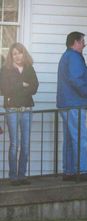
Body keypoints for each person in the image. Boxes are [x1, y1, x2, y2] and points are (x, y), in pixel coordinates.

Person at [57, 31, 87, 181]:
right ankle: (82, 171)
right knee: (80, 138)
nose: (84, 44)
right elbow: (77, 79)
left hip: (66, 104)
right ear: (74, 42)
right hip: (75, 104)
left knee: (69, 139)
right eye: (82, 42)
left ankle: (69, 172)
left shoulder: (66, 56)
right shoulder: (74, 57)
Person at [0, 43, 39, 186]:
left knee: (25, 144)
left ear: (24, 54)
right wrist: (22, 85)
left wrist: (17, 90)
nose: (17, 56)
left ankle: (22, 175)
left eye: (19, 53)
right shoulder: (5, 70)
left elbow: (35, 87)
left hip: (27, 109)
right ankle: (13, 177)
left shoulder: (29, 68)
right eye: (14, 53)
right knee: (14, 144)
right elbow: (5, 89)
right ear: (11, 56)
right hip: (12, 110)